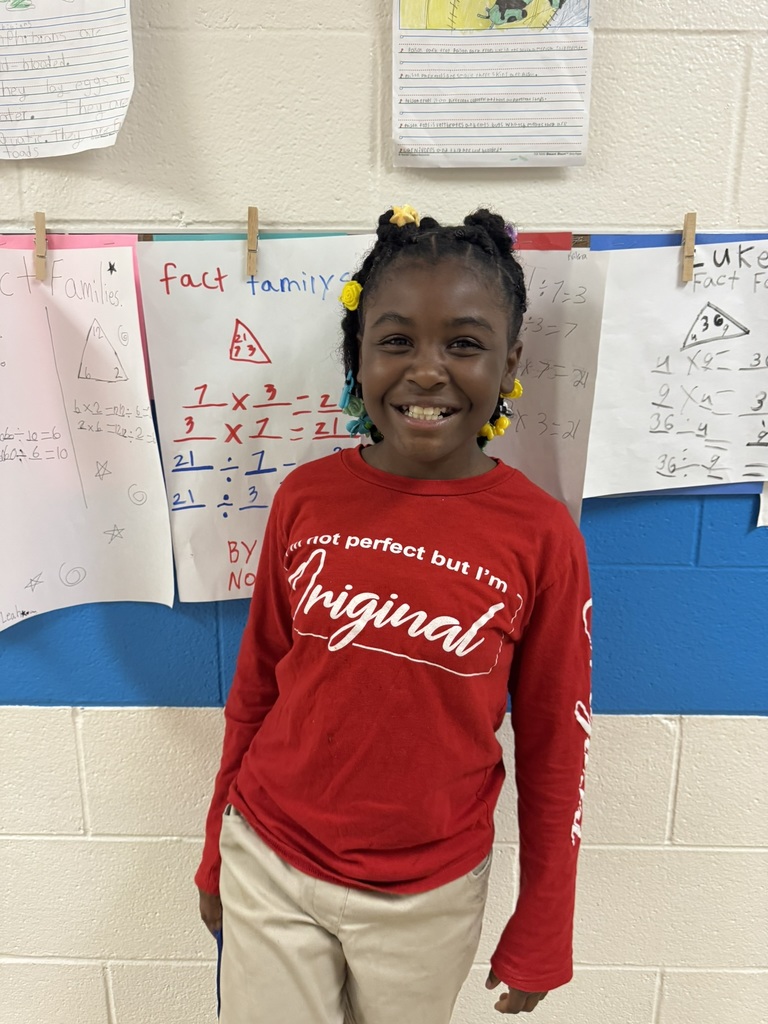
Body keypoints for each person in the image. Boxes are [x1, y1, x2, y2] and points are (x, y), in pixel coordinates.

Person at [196, 205, 592, 1022]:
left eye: (464, 343)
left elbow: (556, 745)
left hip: (429, 895)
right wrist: (215, 853)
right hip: (271, 860)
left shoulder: (540, 534)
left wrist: (545, 923)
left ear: (510, 361)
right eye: (397, 340)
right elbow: (257, 690)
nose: (426, 371)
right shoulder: (307, 498)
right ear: (359, 355)